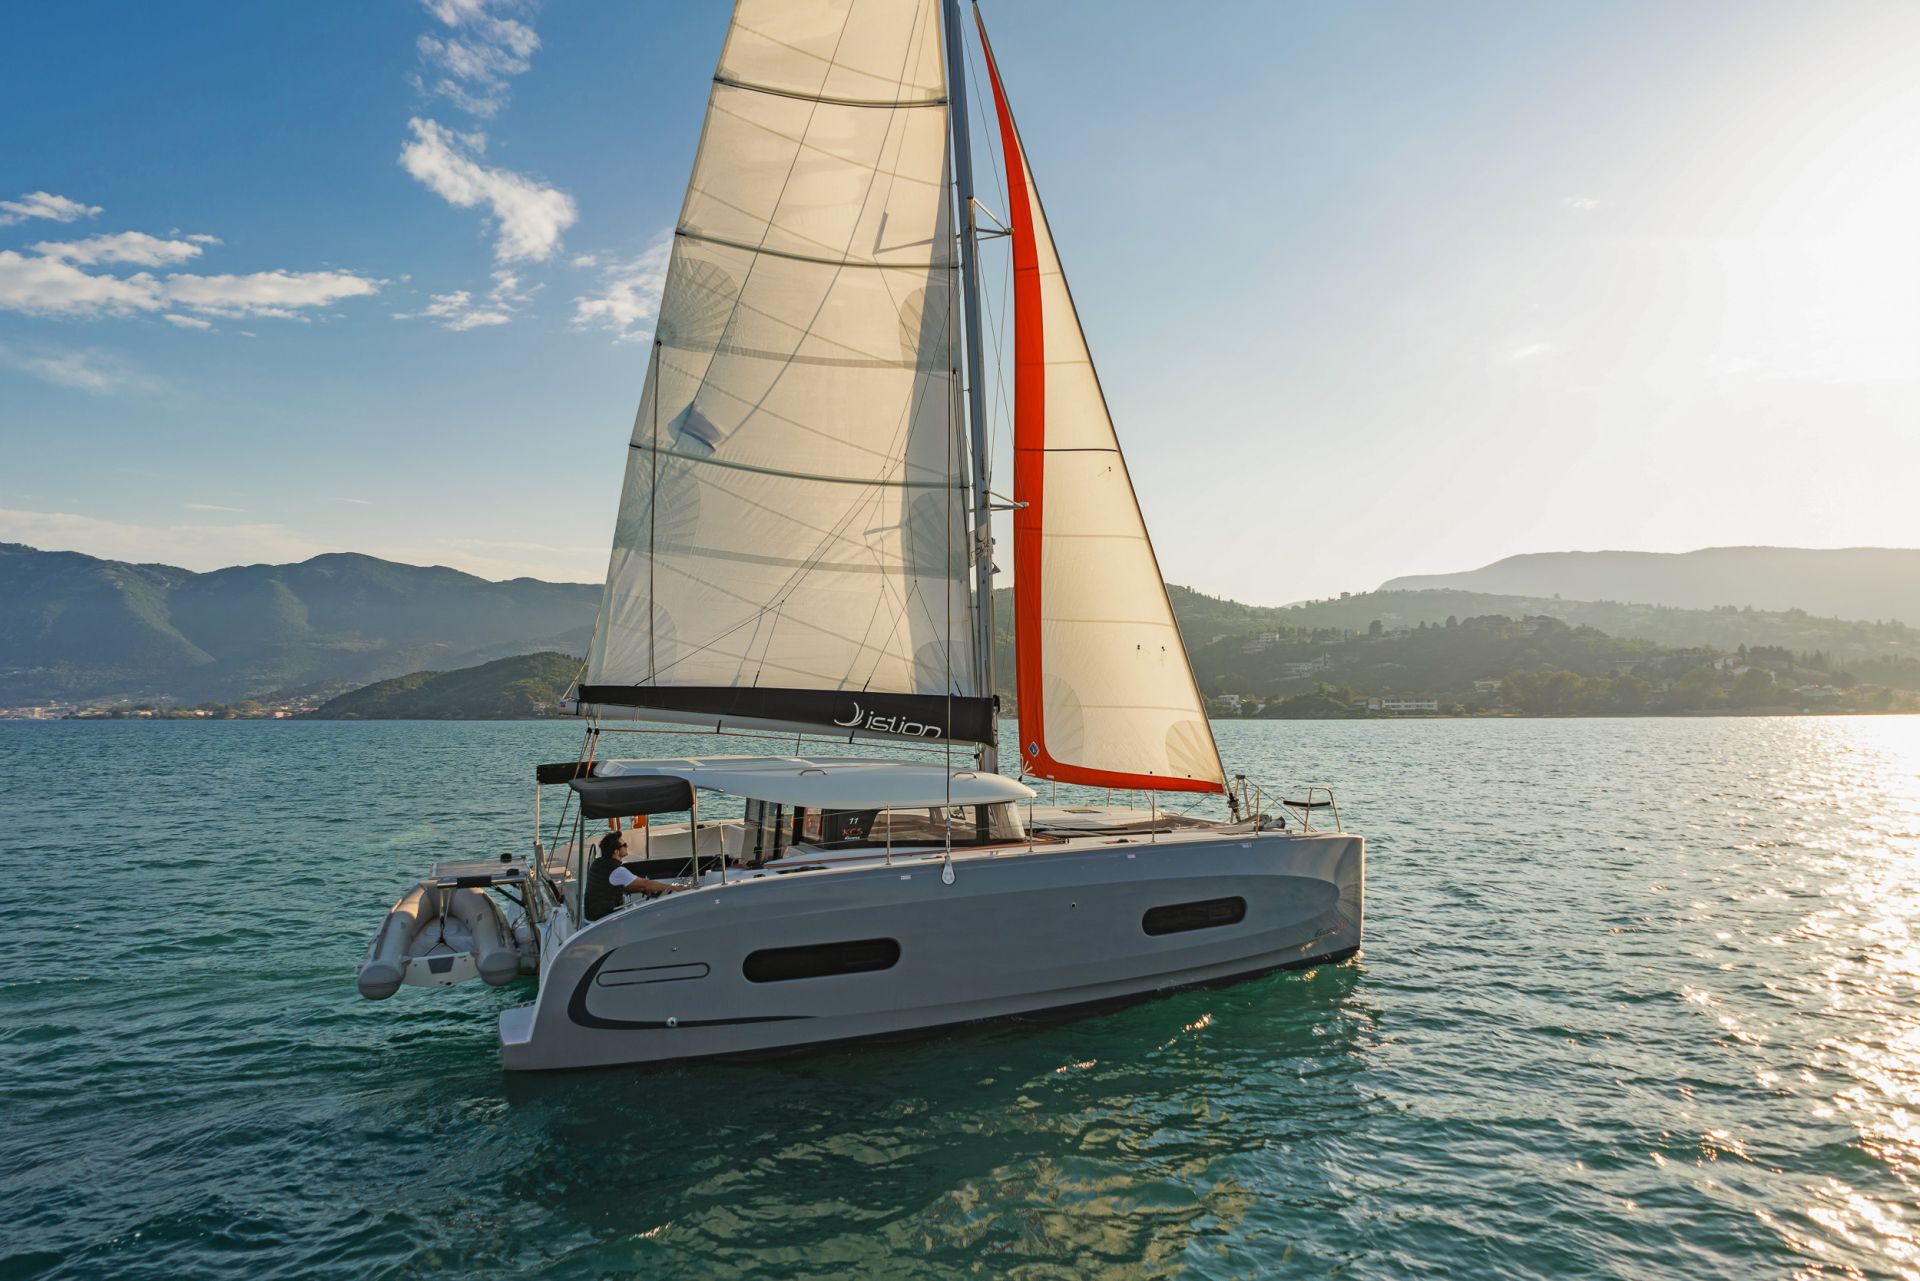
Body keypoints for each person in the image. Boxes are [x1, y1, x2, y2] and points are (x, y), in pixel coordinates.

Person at [583, 830, 684, 922]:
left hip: (592, 916)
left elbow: (609, 887)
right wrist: (676, 888)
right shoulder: (617, 870)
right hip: (606, 920)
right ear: (616, 851)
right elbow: (647, 884)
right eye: (624, 845)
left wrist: (642, 890)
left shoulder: (598, 863)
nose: (627, 847)